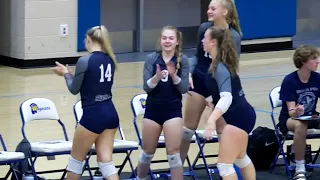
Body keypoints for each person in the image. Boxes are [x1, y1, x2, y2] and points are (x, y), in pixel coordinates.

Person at [51, 25, 120, 180]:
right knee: (106, 162)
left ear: (89, 39)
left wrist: (66, 74)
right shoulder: (110, 60)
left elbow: (74, 89)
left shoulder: (85, 60)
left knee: (75, 161)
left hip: (93, 115)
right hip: (111, 114)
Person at [180, 0, 242, 163]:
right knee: (187, 129)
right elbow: (197, 56)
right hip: (200, 80)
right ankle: (177, 168)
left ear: (225, 12)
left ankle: (225, 167)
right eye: (208, 8)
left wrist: (217, 97)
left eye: (213, 8)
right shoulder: (204, 28)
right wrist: (189, 73)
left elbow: (233, 68)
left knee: (222, 129)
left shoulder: (234, 36)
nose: (208, 11)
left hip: (218, 85)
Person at [202, 26, 256, 180]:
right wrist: (212, 99)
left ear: (213, 42)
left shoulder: (220, 67)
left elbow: (227, 97)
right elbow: (227, 91)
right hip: (243, 115)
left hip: (239, 118)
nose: (202, 40)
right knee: (241, 159)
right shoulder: (217, 64)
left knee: (224, 166)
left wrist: (211, 120)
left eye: (205, 37)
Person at [136, 26, 189, 180]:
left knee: (173, 153)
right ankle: (140, 178)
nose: (167, 41)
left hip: (172, 110)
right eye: (164, 38)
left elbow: (184, 88)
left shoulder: (183, 60)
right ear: (160, 40)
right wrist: (157, 77)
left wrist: (173, 76)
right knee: (147, 152)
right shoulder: (152, 59)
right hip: (153, 110)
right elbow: (147, 87)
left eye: (171, 38)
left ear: (177, 41)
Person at [277, 45, 320, 180]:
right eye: (313, 59)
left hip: (311, 117)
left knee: (306, 122)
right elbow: (291, 112)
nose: (317, 61)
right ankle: (299, 167)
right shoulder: (289, 81)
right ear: (303, 62)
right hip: (290, 119)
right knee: (300, 125)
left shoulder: (317, 78)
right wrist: (297, 111)